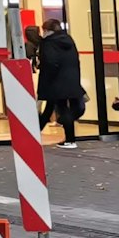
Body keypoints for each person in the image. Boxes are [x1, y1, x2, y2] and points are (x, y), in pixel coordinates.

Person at [36, 18, 86, 148]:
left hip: (55, 81)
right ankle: (34, 134)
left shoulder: (49, 43)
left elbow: (50, 62)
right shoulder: (68, 40)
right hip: (70, 79)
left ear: (47, 30)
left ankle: (70, 140)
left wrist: (47, 78)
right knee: (50, 107)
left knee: (62, 109)